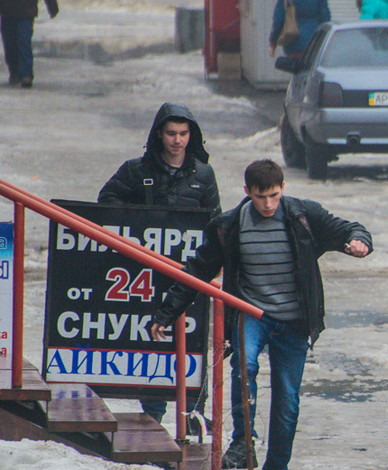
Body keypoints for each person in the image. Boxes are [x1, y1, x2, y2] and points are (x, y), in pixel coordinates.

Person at [149, 159, 372, 470]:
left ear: (282, 189)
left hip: (295, 320)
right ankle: (243, 441)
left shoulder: (303, 215)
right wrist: (168, 311)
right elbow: (198, 271)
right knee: (244, 366)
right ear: (247, 192)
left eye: (274, 196)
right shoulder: (229, 226)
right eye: (260, 197)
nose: (268, 204)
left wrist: (360, 242)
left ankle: (276, 466)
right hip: (252, 313)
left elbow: (348, 229)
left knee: (287, 401)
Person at [98, 102, 221, 435]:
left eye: (183, 133)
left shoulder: (203, 174)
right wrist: (134, 230)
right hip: (143, 275)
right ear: (159, 135)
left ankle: (190, 420)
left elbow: (217, 222)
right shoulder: (136, 170)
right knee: (150, 342)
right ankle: (153, 423)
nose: (177, 140)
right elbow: (106, 201)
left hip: (188, 274)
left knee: (191, 345)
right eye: (171, 133)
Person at [0, 0, 58, 87]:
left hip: (27, 10)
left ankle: (26, 75)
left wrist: (52, 7)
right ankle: (14, 71)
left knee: (24, 42)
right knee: (9, 44)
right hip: (7, 11)